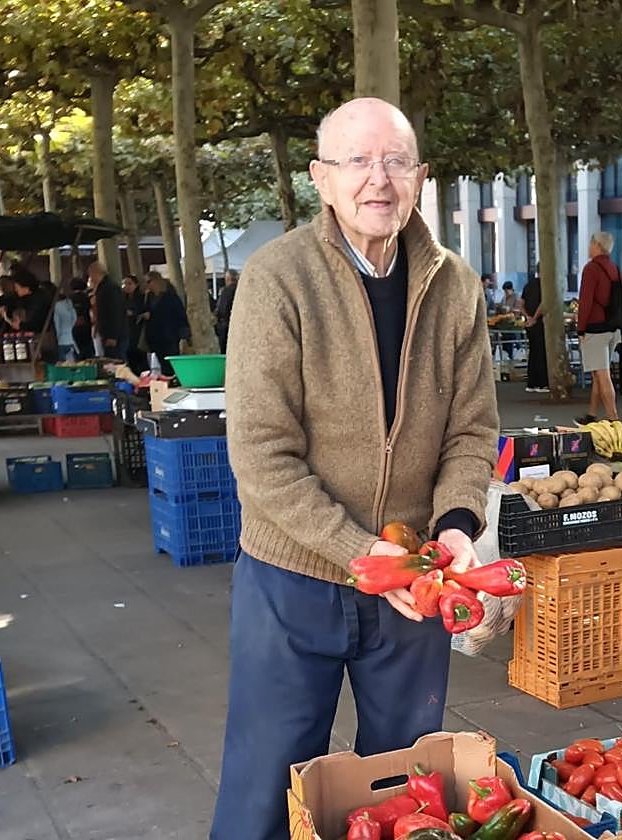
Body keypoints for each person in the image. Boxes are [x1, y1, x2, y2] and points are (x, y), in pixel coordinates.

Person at [212, 98, 498, 840]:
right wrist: (360, 554)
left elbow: (472, 431)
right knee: (266, 784)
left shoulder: (456, 285)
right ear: (321, 179)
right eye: (357, 162)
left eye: (396, 161)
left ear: (421, 176)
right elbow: (262, 454)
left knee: (408, 787)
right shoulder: (277, 278)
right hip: (293, 577)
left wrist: (459, 526)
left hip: (414, 585)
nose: (379, 179)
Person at [575, 231, 622, 425]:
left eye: (590, 242)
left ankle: (614, 419)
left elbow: (585, 301)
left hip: (595, 328)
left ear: (596, 245)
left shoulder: (591, 269)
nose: (588, 246)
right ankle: (592, 414)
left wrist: (580, 329)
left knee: (602, 374)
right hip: (613, 327)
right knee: (599, 371)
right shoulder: (614, 268)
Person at [143, 274, 190, 373]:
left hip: (169, 334)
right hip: (155, 335)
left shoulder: (170, 296)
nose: (147, 285)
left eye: (149, 282)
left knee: (171, 359)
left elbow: (180, 314)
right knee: (161, 360)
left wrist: (183, 331)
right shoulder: (148, 297)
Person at [86, 262, 127, 359]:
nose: (90, 277)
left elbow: (115, 312)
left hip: (114, 334)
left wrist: (112, 336)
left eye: (91, 274)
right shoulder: (102, 288)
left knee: (116, 361)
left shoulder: (110, 288)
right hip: (106, 332)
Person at [520, 271, 548, 393]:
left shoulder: (528, 285)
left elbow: (520, 304)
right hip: (540, 323)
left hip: (529, 324)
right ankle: (542, 383)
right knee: (542, 353)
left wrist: (528, 317)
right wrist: (535, 318)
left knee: (533, 352)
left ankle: (531, 383)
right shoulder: (546, 285)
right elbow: (543, 304)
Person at [122, 274, 148, 372]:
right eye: (124, 284)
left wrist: (134, 313)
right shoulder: (123, 298)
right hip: (127, 330)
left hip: (138, 329)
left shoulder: (141, 297)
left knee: (140, 355)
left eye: (129, 284)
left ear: (136, 285)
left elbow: (143, 310)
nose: (127, 286)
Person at [53, 283, 78, 362]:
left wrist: (58, 336)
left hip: (61, 340)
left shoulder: (57, 307)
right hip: (70, 339)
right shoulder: (69, 306)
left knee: (63, 363)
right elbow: (74, 318)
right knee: (71, 361)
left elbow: (57, 325)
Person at [215, 269, 238, 353]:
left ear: (228, 279)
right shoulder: (240, 290)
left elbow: (222, 309)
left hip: (225, 325)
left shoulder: (226, 291)